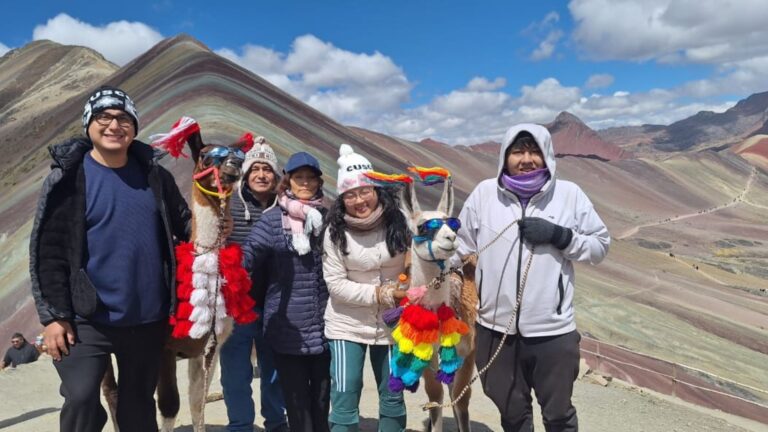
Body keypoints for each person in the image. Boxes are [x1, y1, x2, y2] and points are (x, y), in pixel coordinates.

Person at [28, 86, 191, 432]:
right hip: (86, 318)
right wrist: (54, 317)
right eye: (103, 117)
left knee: (138, 406)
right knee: (82, 397)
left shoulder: (155, 176)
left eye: (123, 118)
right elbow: (48, 251)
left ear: (134, 127)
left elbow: (185, 225)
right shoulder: (67, 180)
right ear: (89, 124)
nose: (114, 125)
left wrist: (216, 217)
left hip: (147, 317)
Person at [453, 124, 610, 432]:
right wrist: (432, 253)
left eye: (534, 151)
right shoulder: (485, 194)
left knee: (559, 416)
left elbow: (600, 246)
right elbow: (460, 246)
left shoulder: (569, 195)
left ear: (547, 154)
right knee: (512, 416)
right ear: (505, 157)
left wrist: (560, 236)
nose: (526, 159)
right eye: (518, 151)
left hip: (553, 333)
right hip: (495, 332)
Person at [322, 145, 409, 431]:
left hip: (395, 326)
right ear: (341, 199)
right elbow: (336, 286)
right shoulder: (335, 233)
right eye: (350, 194)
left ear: (377, 190)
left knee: (393, 395)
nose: (359, 200)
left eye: (364, 191)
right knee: (345, 393)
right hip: (347, 324)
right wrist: (382, 294)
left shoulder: (401, 223)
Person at [242, 151, 330, 432]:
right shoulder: (271, 221)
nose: (305, 183)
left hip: (325, 325)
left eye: (310, 178)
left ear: (318, 182)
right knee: (296, 402)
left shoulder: (329, 218)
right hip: (286, 327)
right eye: (298, 177)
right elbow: (249, 256)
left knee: (321, 399)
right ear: (288, 181)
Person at [220, 137, 289, 432]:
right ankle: (240, 425)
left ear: (276, 175)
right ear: (246, 174)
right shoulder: (228, 205)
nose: (261, 174)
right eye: (255, 169)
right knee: (235, 373)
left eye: (267, 169)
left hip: (275, 302)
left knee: (275, 371)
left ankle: (276, 423)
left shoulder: (288, 209)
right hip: (235, 305)